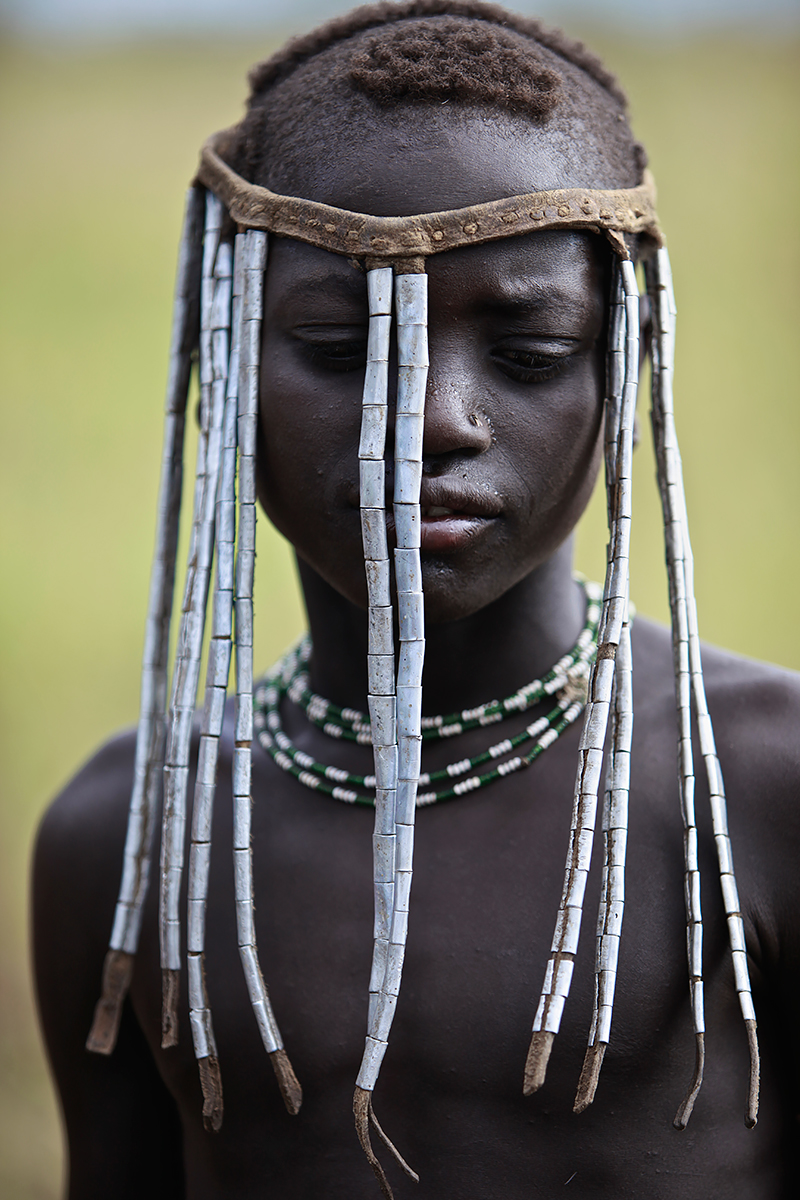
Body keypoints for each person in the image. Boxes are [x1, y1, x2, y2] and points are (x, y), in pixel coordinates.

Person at [32, 3, 799, 1197]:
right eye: (344, 348)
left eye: (529, 353)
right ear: (222, 360)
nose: (433, 418)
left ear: (622, 365)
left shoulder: (760, 788)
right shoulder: (128, 839)